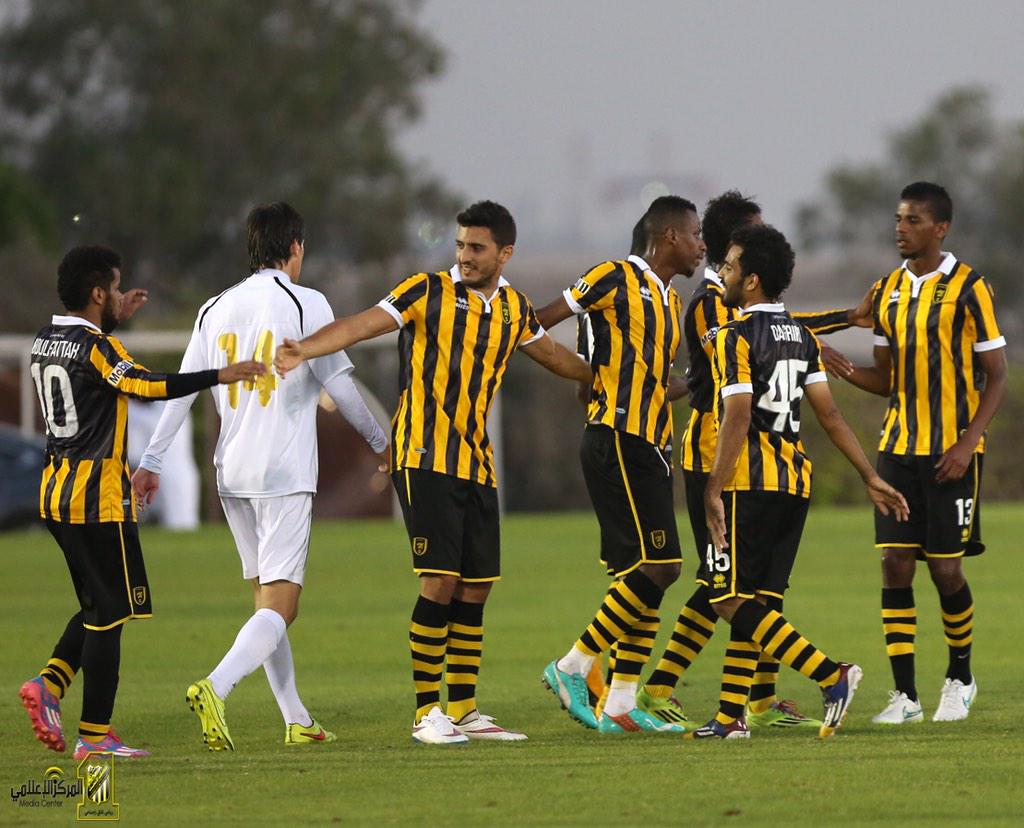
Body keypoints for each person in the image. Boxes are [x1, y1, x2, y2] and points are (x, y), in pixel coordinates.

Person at [274, 200, 593, 745]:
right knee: (440, 581)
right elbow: (361, 324)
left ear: (504, 253)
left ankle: (464, 709)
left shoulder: (515, 309)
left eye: (477, 248)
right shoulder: (427, 291)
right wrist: (305, 349)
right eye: (461, 245)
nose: (465, 255)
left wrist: (602, 378)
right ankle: (427, 712)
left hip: (475, 462)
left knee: (476, 587)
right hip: (423, 455)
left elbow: (554, 357)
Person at [131, 202, 388, 751]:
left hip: (232, 472)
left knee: (265, 603)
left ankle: (297, 719)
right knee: (283, 606)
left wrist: (151, 461)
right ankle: (216, 686)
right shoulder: (307, 303)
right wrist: (381, 442)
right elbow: (340, 388)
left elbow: (182, 389)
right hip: (284, 471)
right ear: (295, 247)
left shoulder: (214, 307)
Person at [19, 245, 265, 759]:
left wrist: (115, 317)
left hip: (56, 495)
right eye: (114, 287)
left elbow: (92, 366)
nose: (120, 294)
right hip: (96, 500)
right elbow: (147, 385)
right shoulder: (99, 348)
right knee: (110, 614)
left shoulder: (46, 338)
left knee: (97, 604)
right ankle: (94, 735)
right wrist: (219, 375)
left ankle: (49, 685)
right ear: (97, 293)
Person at [640, 191, 870, 730]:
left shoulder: (741, 321)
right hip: (722, 455)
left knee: (736, 590)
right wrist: (827, 329)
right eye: (755, 231)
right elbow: (778, 343)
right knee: (730, 586)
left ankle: (752, 701)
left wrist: (832, 325)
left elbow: (764, 346)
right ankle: (713, 704)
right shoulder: (710, 305)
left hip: (744, 465)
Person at [687, 223, 908, 739]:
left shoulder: (733, 336)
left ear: (751, 280)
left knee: (727, 599)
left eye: (730, 265)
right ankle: (730, 717)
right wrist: (869, 475)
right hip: (794, 485)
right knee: (756, 602)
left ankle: (831, 675)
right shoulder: (801, 337)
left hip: (750, 483)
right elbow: (829, 416)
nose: (723, 272)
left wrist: (713, 487)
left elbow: (738, 413)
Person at [827, 182, 1007, 725]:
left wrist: (968, 442)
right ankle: (904, 697)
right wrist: (844, 368)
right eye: (898, 219)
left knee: (946, 570)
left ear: (940, 228)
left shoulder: (970, 287)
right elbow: (886, 379)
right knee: (895, 564)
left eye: (912, 220)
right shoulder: (886, 290)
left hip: (952, 453)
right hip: (898, 450)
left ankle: (960, 678)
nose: (900, 228)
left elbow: (997, 375)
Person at [536, 195, 703, 735]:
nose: (702, 246)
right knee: (664, 567)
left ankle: (621, 703)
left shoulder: (668, 299)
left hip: (651, 443)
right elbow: (538, 323)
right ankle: (573, 665)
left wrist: (699, 381)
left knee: (642, 578)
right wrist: (582, 376)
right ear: (671, 236)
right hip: (618, 437)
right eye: (696, 234)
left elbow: (654, 380)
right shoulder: (614, 276)